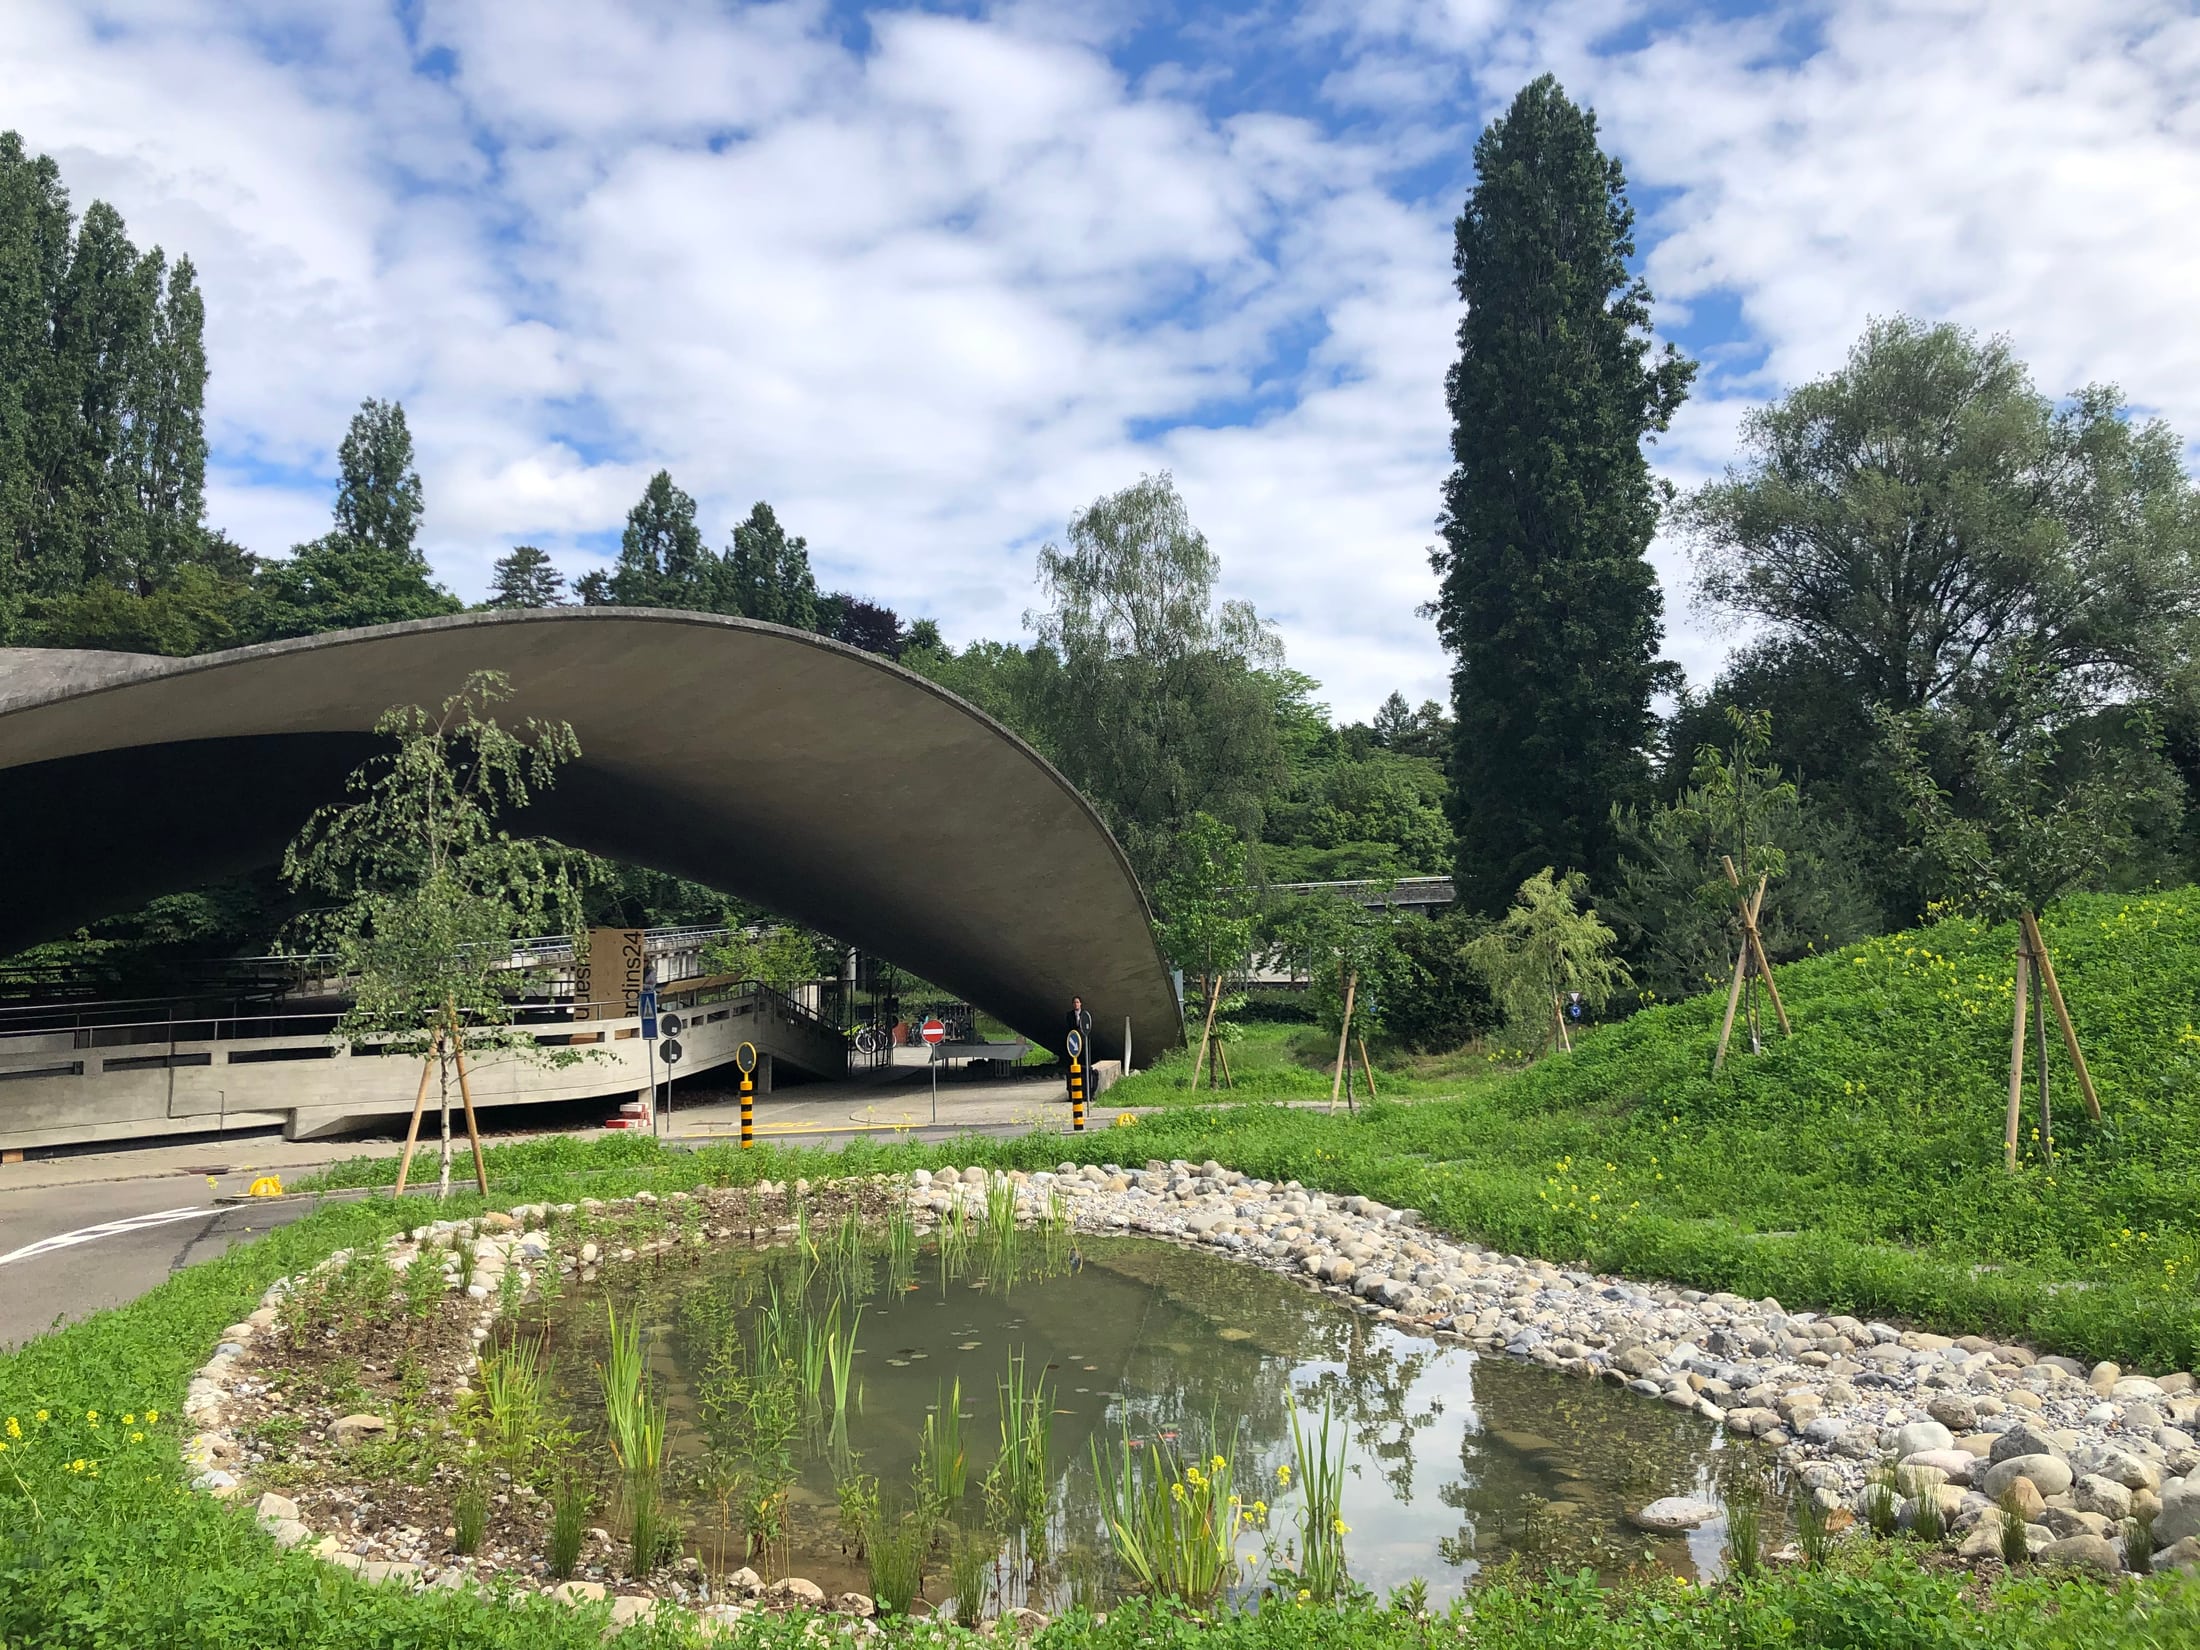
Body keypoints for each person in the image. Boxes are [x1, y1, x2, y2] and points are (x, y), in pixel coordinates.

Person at [1062, 994, 1093, 1097]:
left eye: (1078, 1002)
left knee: (1084, 1062)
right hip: (1073, 1040)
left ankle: (1086, 1089)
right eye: (1074, 1003)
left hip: (1083, 1041)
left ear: (1081, 1004)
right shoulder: (1069, 1015)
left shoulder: (1085, 1014)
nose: (1076, 1004)